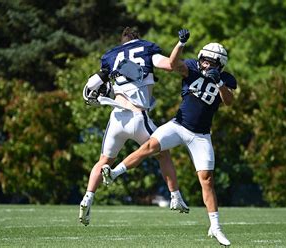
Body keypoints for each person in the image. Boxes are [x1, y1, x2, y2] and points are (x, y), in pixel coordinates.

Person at [101, 29, 236, 246]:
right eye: (204, 60)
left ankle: (215, 227)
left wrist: (219, 82)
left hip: (201, 135)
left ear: (219, 64)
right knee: (150, 146)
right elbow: (174, 64)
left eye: (210, 62)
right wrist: (180, 44)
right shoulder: (192, 67)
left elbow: (229, 101)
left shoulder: (226, 78)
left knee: (207, 180)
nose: (205, 65)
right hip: (179, 125)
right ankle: (115, 173)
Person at [78, 27, 189, 226]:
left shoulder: (111, 56)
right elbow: (170, 65)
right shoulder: (146, 49)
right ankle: (175, 197)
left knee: (103, 160)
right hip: (138, 117)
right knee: (163, 153)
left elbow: (93, 84)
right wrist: (180, 43)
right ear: (138, 39)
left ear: (122, 42)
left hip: (117, 119)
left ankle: (88, 197)